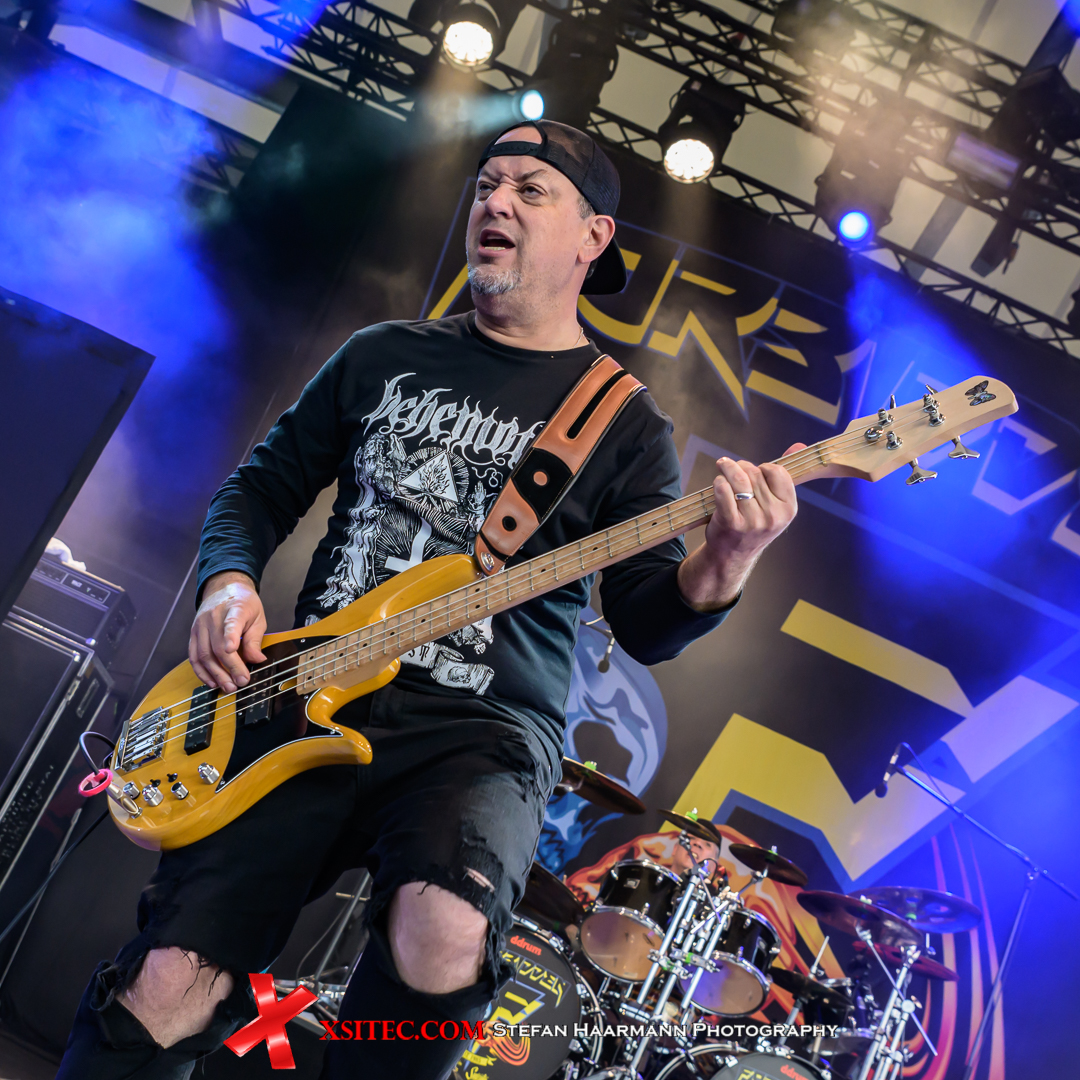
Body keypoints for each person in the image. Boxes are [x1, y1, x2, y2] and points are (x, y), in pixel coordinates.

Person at [57, 119, 802, 1080]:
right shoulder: (383, 354)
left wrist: (728, 561)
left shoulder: (624, 424)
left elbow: (648, 621)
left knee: (444, 934)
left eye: (532, 190)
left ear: (593, 237)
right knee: (170, 981)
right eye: (488, 184)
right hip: (302, 696)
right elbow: (258, 491)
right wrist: (230, 582)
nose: (497, 201)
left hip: (480, 730)